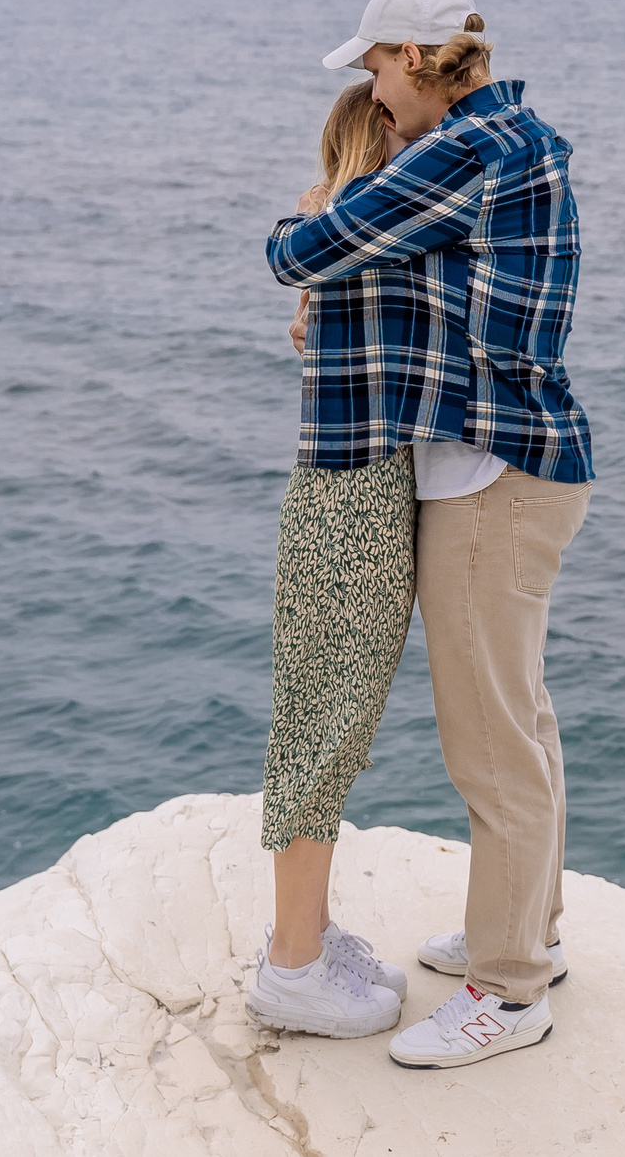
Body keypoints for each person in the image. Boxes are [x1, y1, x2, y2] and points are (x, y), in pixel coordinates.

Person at [270, 0, 595, 1070]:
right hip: (527, 464)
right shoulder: (515, 139)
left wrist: (306, 221)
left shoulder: (463, 151)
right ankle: (528, 928)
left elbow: (297, 251)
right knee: (523, 715)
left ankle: (508, 991)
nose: (372, 91)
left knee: (490, 741)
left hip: (489, 478)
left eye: (374, 66)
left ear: (413, 57)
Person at [242, 82, 417, 1041]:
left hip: (345, 498)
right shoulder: (366, 239)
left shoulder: (340, 238)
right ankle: (292, 965)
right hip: (353, 505)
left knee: (329, 728)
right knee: (322, 730)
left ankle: (304, 935)